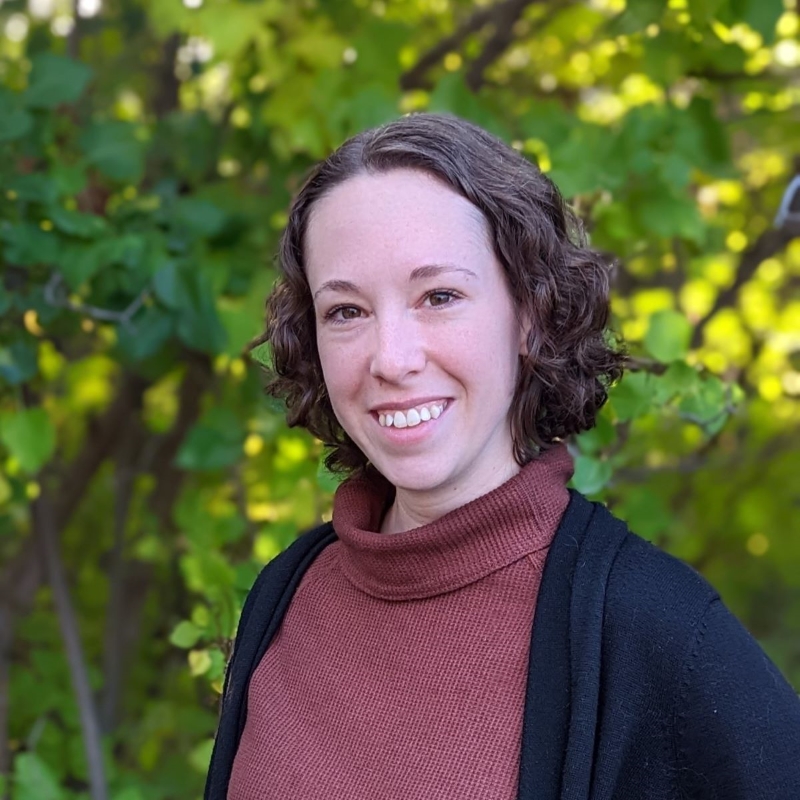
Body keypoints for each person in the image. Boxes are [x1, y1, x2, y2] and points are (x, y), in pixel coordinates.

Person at [205, 114, 800, 800]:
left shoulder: (649, 625)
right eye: (346, 311)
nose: (391, 359)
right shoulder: (288, 594)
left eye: (439, 297)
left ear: (529, 312)